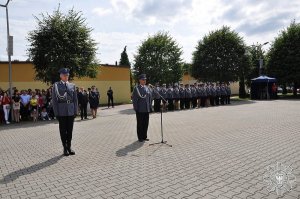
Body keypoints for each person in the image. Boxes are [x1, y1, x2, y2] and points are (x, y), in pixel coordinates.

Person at [52, 68, 78, 156]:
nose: (66, 77)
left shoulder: (72, 86)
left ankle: (69, 147)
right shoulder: (56, 86)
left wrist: (75, 111)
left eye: (67, 75)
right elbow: (54, 100)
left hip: (71, 111)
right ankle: (65, 148)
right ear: (60, 76)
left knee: (70, 130)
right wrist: (56, 113)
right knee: (63, 130)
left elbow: (75, 100)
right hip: (61, 111)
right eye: (64, 75)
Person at [132, 74, 151, 142]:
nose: (144, 80)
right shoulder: (136, 88)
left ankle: (144, 136)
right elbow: (134, 99)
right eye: (143, 79)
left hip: (146, 109)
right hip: (140, 109)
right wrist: (136, 108)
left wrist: (150, 107)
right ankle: (140, 137)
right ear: (140, 80)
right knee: (140, 124)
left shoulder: (147, 87)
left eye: (145, 79)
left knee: (146, 123)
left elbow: (149, 98)